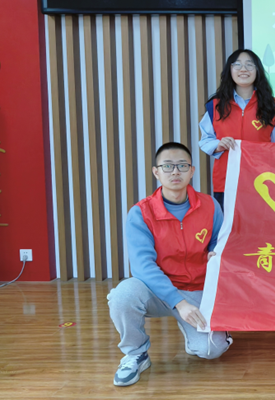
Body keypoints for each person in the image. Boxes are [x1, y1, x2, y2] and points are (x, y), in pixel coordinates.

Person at [107, 142, 230, 387]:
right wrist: (178, 303)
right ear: (156, 172)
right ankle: (136, 354)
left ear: (192, 171)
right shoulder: (141, 213)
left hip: (197, 289)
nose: (175, 171)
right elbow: (142, 266)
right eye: (168, 166)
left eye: (182, 166)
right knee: (123, 295)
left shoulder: (210, 205)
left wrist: (215, 253)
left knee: (211, 350)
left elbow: (220, 241)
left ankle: (193, 330)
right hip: (157, 292)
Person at [200, 49, 275, 208]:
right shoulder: (216, 106)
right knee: (228, 223)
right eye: (237, 65)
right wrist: (218, 145)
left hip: (262, 182)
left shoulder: (272, 106)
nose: (243, 69)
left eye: (249, 65)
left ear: (258, 70)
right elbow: (205, 140)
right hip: (226, 180)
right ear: (230, 70)